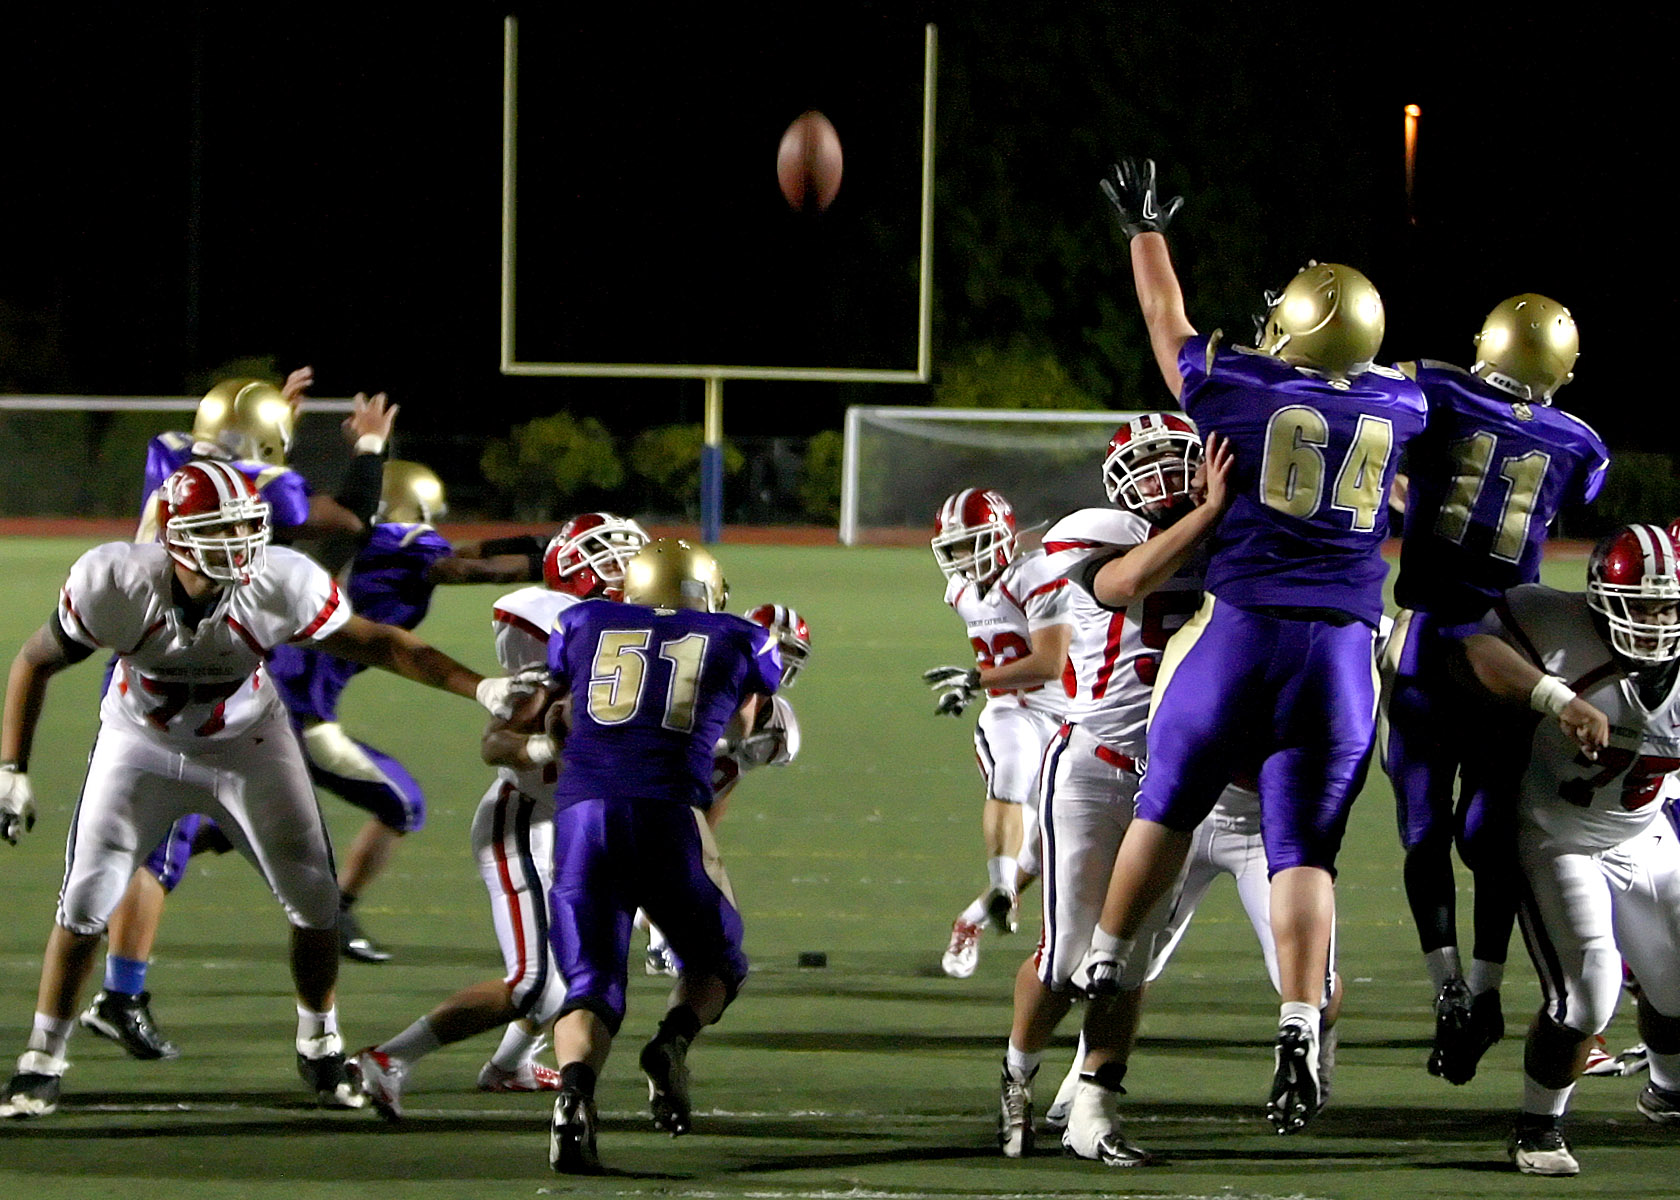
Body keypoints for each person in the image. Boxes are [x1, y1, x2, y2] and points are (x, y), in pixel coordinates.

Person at [0, 460, 535, 1118]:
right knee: (84, 901)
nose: (241, 544)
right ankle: (42, 1059)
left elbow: (379, 643)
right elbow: (34, 660)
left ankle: (321, 1043)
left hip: (249, 742)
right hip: (140, 745)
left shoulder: (279, 579)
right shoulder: (115, 579)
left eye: (247, 527)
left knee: (315, 900)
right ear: (175, 536)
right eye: (221, 530)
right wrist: (11, 769)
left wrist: (480, 687)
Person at [1078, 157, 1426, 1133]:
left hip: (1239, 636)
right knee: (1305, 852)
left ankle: (1106, 956)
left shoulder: (1238, 387)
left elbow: (1167, 323)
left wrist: (1146, 232)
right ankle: (1299, 1020)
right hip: (1340, 661)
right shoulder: (1404, 406)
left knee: (1166, 800)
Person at [78, 370, 399, 1056]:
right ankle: (121, 996)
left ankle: (123, 991)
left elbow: (228, 457)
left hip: (150, 646)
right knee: (171, 843)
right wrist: (370, 449)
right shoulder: (265, 488)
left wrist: (267, 421)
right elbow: (351, 519)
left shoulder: (170, 454)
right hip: (195, 665)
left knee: (168, 837)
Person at [351, 512, 652, 1119]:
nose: (633, 572)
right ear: (579, 572)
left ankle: (510, 1065)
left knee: (581, 975)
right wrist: (544, 746)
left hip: (581, 824)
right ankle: (385, 1059)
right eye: (615, 560)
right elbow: (495, 744)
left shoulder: (640, 646)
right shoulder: (560, 639)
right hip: (527, 820)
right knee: (534, 982)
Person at [1380, 295, 1609, 1084]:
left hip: (1427, 638)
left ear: (1489, 343)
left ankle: (1448, 988)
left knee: (1423, 825)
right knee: (1492, 830)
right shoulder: (1580, 442)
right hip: (1512, 644)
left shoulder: (1437, 387)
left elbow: (1379, 407)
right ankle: (1484, 985)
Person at [996, 412, 1229, 1164]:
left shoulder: (1227, 533)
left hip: (1176, 777)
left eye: (1175, 459)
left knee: (1128, 952)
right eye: (1147, 462)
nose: (1162, 477)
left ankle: (1096, 1108)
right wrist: (1211, 513)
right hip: (1093, 765)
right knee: (1067, 956)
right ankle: (1018, 1073)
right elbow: (1126, 581)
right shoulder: (1097, 529)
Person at [540, 538, 781, 1174]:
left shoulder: (583, 620)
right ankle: (671, 1042)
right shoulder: (741, 637)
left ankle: (573, 1096)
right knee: (719, 958)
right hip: (667, 814)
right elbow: (744, 726)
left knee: (590, 983)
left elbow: (561, 708)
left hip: (583, 817)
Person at [1457, 523, 1680, 1175]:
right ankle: (1538, 1127)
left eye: (1666, 607)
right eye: (1640, 605)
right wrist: (1557, 699)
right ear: (1600, 600)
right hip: (1558, 833)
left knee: (1676, 983)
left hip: (1642, 831)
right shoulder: (1555, 622)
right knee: (1588, 994)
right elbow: (1473, 644)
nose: (1655, 622)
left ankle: (1668, 1092)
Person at [267, 461, 546, 963]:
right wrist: (551, 563)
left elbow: (461, 553)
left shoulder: (373, 544)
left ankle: (151, 865)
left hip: (276, 694)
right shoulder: (402, 543)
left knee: (234, 819)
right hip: (297, 713)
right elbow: (464, 568)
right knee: (402, 803)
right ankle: (336, 913)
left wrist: (539, 542)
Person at [925, 488, 1074, 978]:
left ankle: (973, 918)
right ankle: (1003, 886)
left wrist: (974, 679)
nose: (964, 557)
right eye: (955, 547)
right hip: (1009, 710)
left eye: (974, 543)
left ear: (1003, 536)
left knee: (1055, 842)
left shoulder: (1036, 575)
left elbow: (1049, 663)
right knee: (1011, 769)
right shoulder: (960, 591)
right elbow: (996, 651)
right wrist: (975, 686)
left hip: (1067, 713)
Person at [643, 601, 812, 976]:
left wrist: (703, 841)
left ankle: (658, 927)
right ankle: (656, 934)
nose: (780, 664)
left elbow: (727, 780)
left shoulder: (778, 730)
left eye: (789, 655)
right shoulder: (693, 693)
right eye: (776, 652)